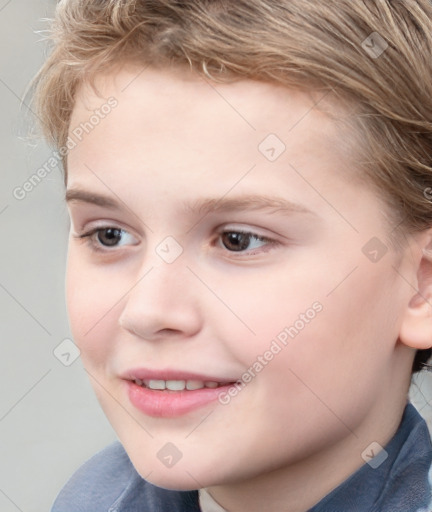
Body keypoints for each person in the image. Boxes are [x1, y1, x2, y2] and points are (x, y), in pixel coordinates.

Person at [30, 1, 432, 510]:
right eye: (110, 235)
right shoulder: (97, 497)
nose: (148, 311)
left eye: (238, 240)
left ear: (421, 284)